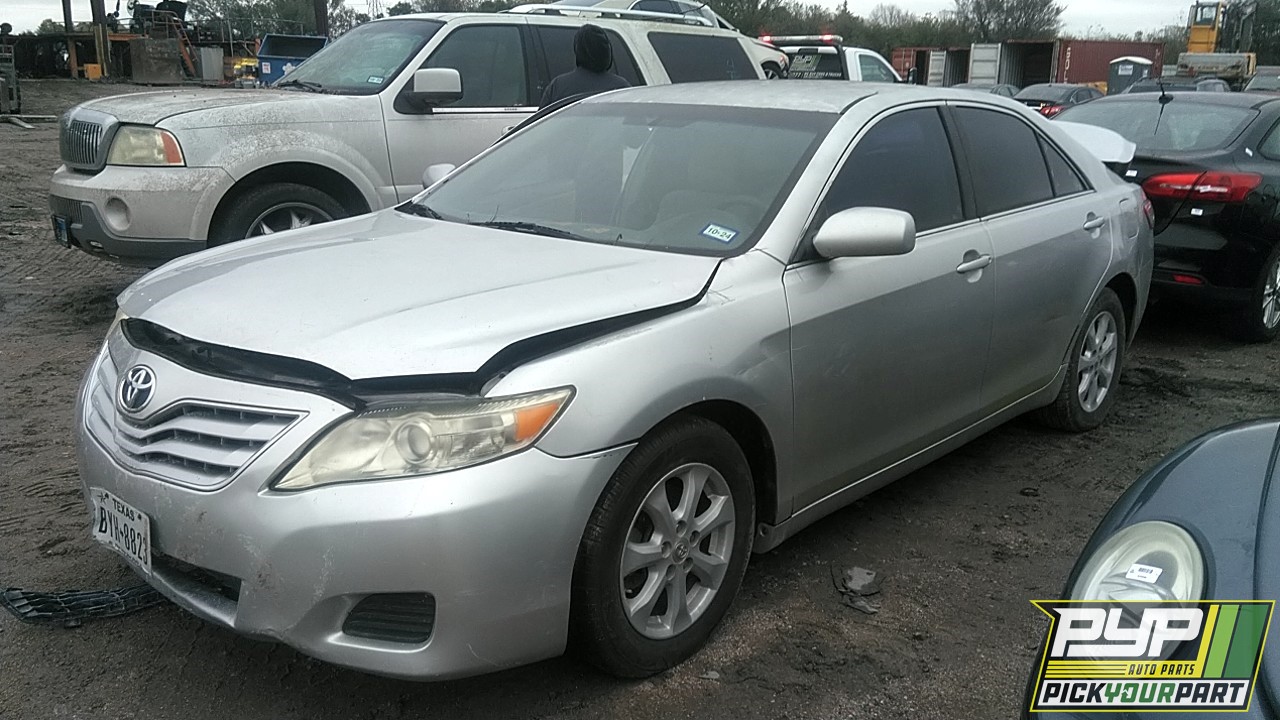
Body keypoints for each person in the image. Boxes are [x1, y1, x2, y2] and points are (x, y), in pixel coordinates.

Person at [539, 24, 629, 108]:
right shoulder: (622, 88)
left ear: (577, 50)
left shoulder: (557, 87)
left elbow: (540, 122)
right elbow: (634, 122)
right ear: (608, 52)